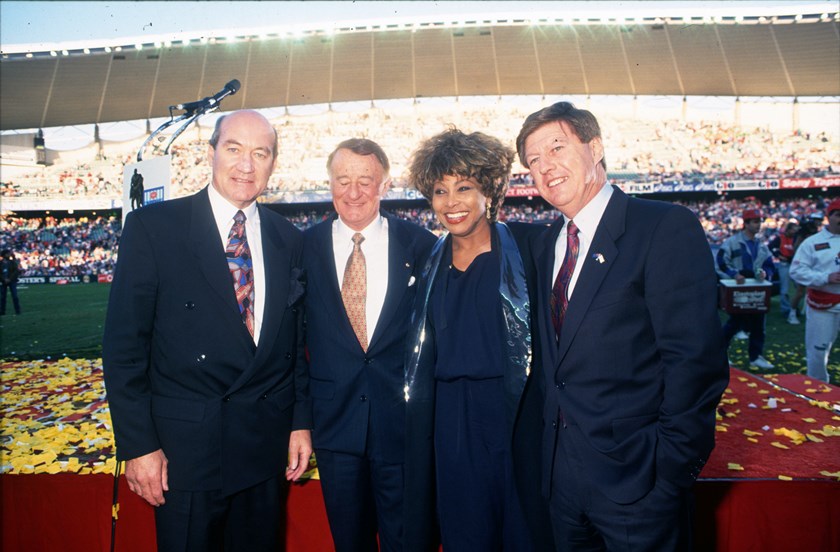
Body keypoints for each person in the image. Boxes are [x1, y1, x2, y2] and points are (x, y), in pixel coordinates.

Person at [515, 101, 729, 551]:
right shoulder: (546, 244)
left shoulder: (662, 227)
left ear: (595, 147)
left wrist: (669, 477)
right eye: (534, 161)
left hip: (640, 487)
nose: (545, 166)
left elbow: (695, 364)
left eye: (557, 147)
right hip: (562, 488)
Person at [103, 110, 312, 551]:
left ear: (274, 162)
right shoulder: (154, 228)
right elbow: (124, 349)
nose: (246, 165)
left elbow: (294, 347)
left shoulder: (288, 239)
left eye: (261, 153)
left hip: (262, 450)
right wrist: (139, 445)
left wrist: (299, 424)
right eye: (234, 149)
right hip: (186, 456)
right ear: (211, 152)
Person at [403, 128, 553, 552]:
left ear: (488, 189)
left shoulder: (530, 249)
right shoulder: (426, 264)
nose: (452, 202)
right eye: (439, 190)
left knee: (526, 534)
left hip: (516, 413)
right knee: (466, 534)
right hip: (451, 423)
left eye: (464, 187)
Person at [302, 138, 436, 552]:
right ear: (330, 183)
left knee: (409, 540)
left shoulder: (422, 245)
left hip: (403, 426)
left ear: (386, 184)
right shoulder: (302, 248)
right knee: (350, 542)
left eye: (366, 180)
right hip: (335, 428)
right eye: (343, 180)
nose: (354, 192)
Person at [716, 208, 777, 370]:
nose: (759, 225)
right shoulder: (732, 242)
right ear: (746, 223)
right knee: (735, 323)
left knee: (758, 324)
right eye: (755, 222)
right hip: (738, 289)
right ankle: (719, 355)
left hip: (756, 289)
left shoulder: (761, 245)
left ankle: (756, 356)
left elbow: (770, 265)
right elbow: (721, 261)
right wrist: (733, 274)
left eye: (759, 222)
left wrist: (766, 273)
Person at [789, 198, 840, 383]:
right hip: (822, 305)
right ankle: (818, 392)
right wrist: (825, 278)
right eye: (838, 215)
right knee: (818, 352)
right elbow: (796, 271)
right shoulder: (812, 243)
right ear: (829, 216)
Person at [790, 214, 823, 319]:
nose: (818, 222)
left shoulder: (815, 231)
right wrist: (799, 260)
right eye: (816, 220)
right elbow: (796, 245)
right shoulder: (804, 230)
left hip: (811, 261)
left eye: (820, 220)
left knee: (810, 290)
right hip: (802, 262)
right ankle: (792, 313)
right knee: (800, 291)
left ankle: (805, 311)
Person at [769, 220, 799, 324]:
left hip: (795, 264)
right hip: (784, 264)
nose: (794, 232)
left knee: (799, 288)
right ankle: (786, 310)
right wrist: (778, 255)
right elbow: (770, 247)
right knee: (785, 289)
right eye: (793, 230)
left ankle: (795, 308)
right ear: (789, 229)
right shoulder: (780, 238)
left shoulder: (796, 238)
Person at [0, 249, 21, 315]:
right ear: (4, 255)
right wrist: (4, 279)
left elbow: (16, 271)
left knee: (14, 296)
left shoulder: (12, 262)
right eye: (8, 253)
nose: (9, 255)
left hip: (12, 281)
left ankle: (17, 310)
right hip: (3, 281)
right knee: (3, 297)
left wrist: (9, 279)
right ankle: (2, 311)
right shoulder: (1, 263)